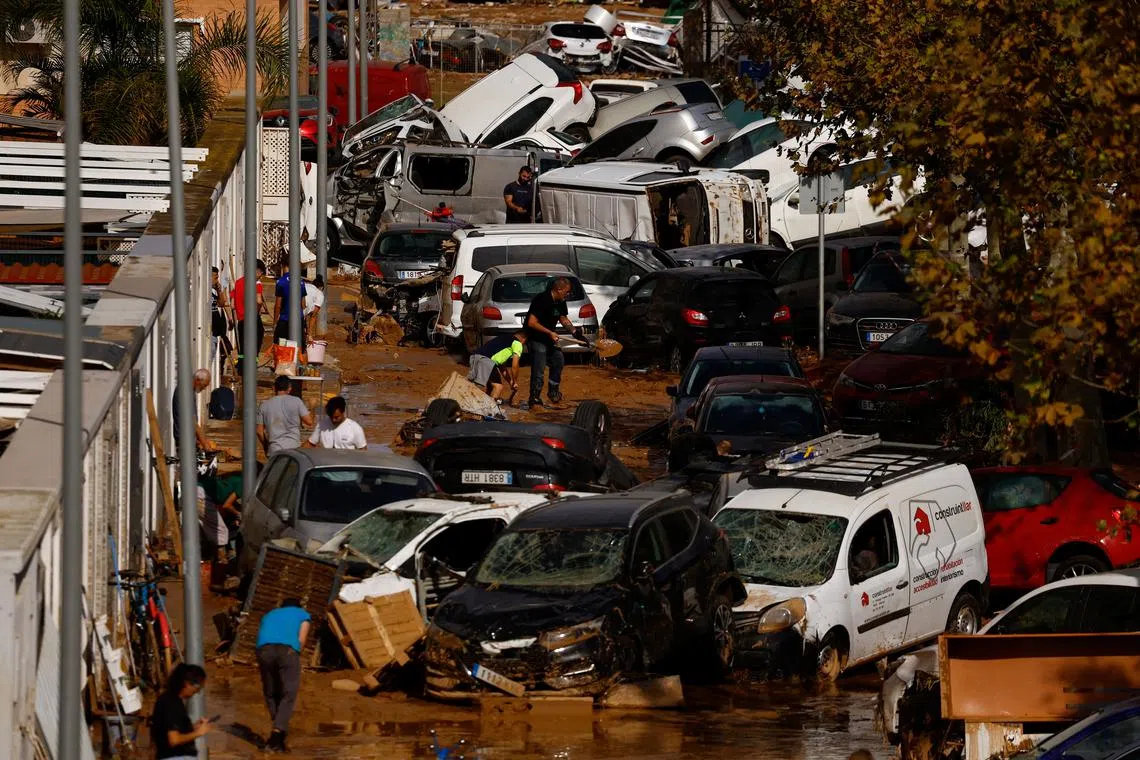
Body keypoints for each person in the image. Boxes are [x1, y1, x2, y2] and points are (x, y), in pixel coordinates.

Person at [256, 598, 311, 752]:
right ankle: (278, 732)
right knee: (289, 691)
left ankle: (278, 732)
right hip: (286, 651)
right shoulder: (303, 614)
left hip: (263, 651)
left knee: (271, 691)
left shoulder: (269, 614)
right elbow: (301, 640)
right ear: (298, 606)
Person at [523, 277, 583, 409]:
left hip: (549, 338)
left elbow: (562, 317)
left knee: (558, 360)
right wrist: (549, 332)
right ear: (558, 289)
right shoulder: (542, 300)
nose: (568, 294)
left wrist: (575, 332)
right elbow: (531, 323)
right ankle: (535, 397)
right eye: (566, 292)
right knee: (539, 368)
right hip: (536, 337)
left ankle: (553, 391)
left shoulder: (560, 301)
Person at [150, 663, 213, 759]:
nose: (198, 691)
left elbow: (169, 730)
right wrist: (198, 733)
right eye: (198, 687)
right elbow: (174, 740)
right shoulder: (171, 703)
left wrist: (191, 728)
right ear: (187, 684)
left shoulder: (170, 701)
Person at [256, 375, 315, 455]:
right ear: (289, 388)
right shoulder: (296, 401)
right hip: (293, 450)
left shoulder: (264, 405)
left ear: (274, 387)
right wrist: (313, 406)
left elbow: (259, 431)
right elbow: (309, 422)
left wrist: (266, 446)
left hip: (274, 450)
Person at [467, 330, 527, 405]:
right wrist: (515, 381)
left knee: (490, 387)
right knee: (498, 387)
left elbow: (502, 368)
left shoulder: (504, 339)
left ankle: (483, 404)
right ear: (524, 339)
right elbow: (515, 366)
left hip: (475, 357)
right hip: (486, 360)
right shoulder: (517, 343)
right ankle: (489, 410)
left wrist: (511, 382)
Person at [272, 254, 307, 367]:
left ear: (283, 265)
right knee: (301, 346)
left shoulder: (281, 282)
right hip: (298, 319)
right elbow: (303, 304)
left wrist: (275, 321)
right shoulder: (301, 282)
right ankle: (303, 374)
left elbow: (278, 305)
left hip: (285, 319)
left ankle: (283, 371)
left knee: (280, 345)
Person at [234, 258, 267, 373]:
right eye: (261, 274)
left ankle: (242, 370)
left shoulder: (238, 282)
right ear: (258, 271)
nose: (260, 277)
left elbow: (232, 300)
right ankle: (252, 369)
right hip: (253, 319)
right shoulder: (256, 283)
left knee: (243, 348)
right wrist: (257, 310)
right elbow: (258, 301)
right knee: (255, 346)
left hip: (241, 320)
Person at [172, 369, 215, 453]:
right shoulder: (186, 392)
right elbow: (192, 422)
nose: (204, 388)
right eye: (204, 385)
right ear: (197, 380)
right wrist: (205, 444)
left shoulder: (190, 391)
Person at [209, 267, 232, 364]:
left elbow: (222, 303)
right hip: (209, 330)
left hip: (215, 329)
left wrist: (219, 290)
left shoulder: (216, 290)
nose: (217, 280)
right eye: (215, 277)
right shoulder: (205, 291)